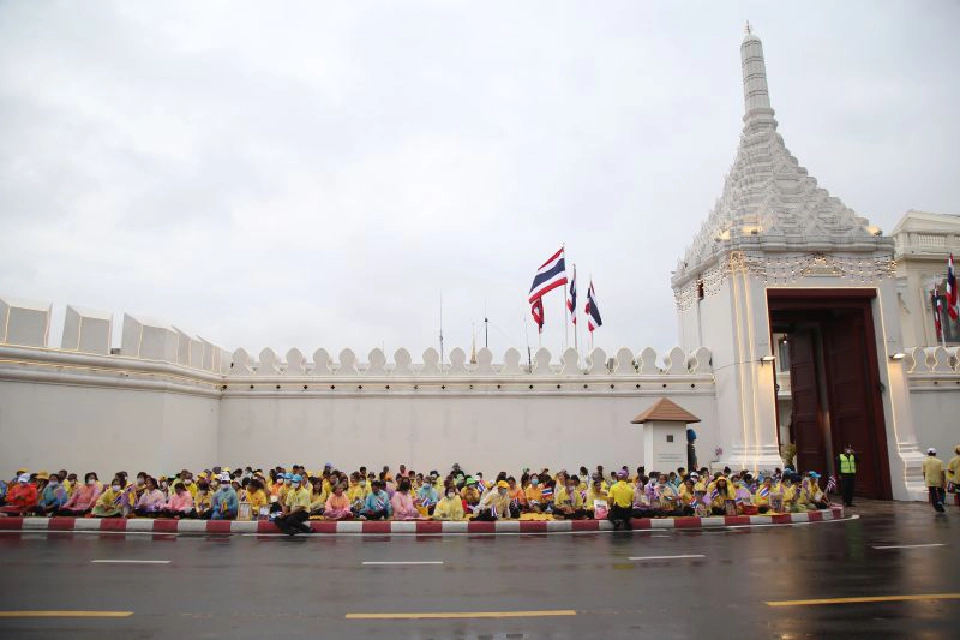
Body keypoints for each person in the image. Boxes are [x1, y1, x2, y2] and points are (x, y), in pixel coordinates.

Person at [922, 448, 946, 514]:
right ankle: (940, 505)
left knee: (933, 494)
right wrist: (944, 481)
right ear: (935, 454)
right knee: (941, 492)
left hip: (929, 480)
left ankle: (937, 507)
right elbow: (942, 472)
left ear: (928, 454)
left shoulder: (924, 462)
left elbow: (924, 472)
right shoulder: (939, 461)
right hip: (938, 480)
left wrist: (925, 479)